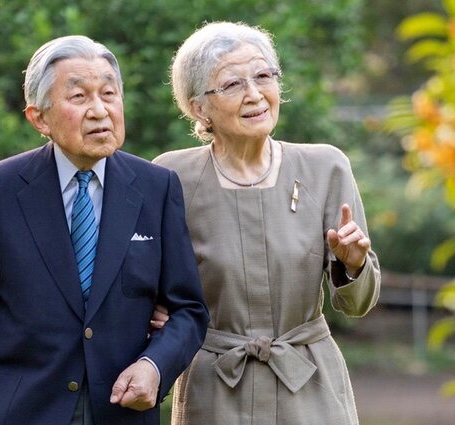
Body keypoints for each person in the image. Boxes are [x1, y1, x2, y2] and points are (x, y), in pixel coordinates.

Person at [0, 35, 209, 425]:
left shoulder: (156, 187)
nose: (99, 110)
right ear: (39, 118)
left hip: (120, 411)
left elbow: (189, 310)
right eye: (79, 97)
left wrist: (154, 366)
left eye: (109, 93)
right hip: (20, 412)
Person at [153, 22, 381, 424]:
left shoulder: (324, 167)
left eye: (263, 76)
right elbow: (148, 288)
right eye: (232, 84)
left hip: (309, 389)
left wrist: (354, 266)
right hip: (215, 391)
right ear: (198, 107)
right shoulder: (172, 178)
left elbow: (357, 304)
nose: (255, 94)